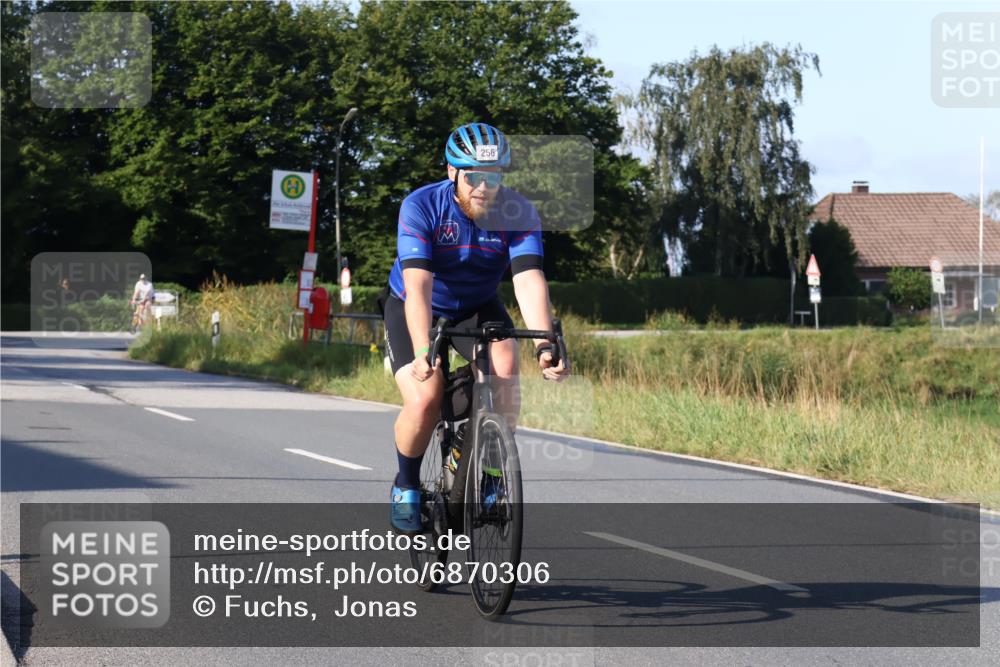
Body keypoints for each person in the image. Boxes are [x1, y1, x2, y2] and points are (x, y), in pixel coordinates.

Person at [383, 122, 570, 534]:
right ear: (453, 173)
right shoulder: (421, 206)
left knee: (505, 375)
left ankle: (487, 475)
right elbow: (418, 285)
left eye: (493, 177)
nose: (484, 188)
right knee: (425, 398)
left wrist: (544, 344)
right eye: (473, 177)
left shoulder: (517, 212)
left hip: (476, 304)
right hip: (418, 305)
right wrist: (421, 352)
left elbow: (527, 279)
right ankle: (407, 484)